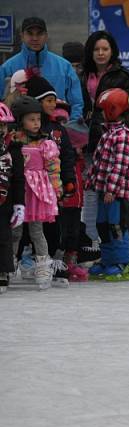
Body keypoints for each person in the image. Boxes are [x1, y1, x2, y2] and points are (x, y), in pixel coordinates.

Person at [80, 30, 129, 260]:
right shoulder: (83, 75)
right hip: (89, 143)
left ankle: (124, 251)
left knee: (117, 199)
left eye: (105, 49)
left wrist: (121, 129)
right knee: (92, 199)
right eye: (96, 49)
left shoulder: (123, 77)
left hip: (113, 142)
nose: (100, 53)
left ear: (112, 51)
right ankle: (95, 247)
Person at [24, 72, 80, 285]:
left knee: (54, 225)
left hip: (52, 189)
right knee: (31, 226)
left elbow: (66, 157)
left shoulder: (58, 130)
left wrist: (68, 180)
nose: (53, 103)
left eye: (54, 100)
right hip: (31, 189)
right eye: (48, 100)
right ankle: (28, 261)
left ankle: (50, 261)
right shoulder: (27, 130)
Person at [85, 88, 129, 282]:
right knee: (102, 225)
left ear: (113, 110)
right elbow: (99, 161)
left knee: (117, 226)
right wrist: (91, 181)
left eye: (103, 110)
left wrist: (111, 189)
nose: (100, 114)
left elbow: (120, 166)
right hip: (103, 192)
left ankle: (122, 264)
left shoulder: (123, 136)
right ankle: (108, 260)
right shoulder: (108, 133)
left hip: (116, 194)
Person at [9, 95, 61, 290]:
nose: (36, 123)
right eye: (31, 119)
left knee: (37, 231)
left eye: (38, 119)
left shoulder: (45, 143)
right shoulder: (13, 140)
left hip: (37, 192)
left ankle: (43, 265)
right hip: (20, 191)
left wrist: (57, 188)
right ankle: (9, 264)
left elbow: (53, 167)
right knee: (15, 231)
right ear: (21, 119)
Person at [0, 17, 83, 120]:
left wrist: (69, 127)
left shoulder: (64, 67)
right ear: (22, 36)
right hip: (19, 132)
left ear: (46, 36)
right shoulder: (7, 68)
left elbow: (77, 103)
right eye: (30, 33)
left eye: (39, 33)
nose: (35, 38)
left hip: (58, 131)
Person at [0, 103, 25, 294]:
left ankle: (3, 271)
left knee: (4, 236)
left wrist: (19, 204)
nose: (1, 129)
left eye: (3, 125)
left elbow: (18, 179)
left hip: (5, 200)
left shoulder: (13, 149)